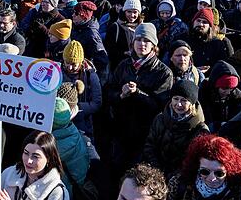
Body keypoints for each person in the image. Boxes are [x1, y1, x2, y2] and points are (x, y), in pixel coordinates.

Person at [107, 23, 173, 173]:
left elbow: (160, 105)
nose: (142, 44)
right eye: (138, 39)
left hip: (146, 134)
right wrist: (121, 94)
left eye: (146, 40)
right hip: (121, 129)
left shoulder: (164, 73)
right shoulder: (124, 66)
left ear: (153, 45)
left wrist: (138, 93)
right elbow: (109, 92)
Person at [141, 80, 208, 175]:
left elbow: (196, 160)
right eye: (176, 99)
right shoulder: (160, 119)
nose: (179, 104)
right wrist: (156, 169)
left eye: (184, 100)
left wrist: (175, 176)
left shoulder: (200, 129)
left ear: (192, 103)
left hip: (181, 176)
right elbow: (150, 145)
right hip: (156, 172)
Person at [61, 40, 102, 137]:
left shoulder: (90, 76)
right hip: (60, 122)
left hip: (82, 124)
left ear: (81, 62)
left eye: (74, 64)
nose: (70, 67)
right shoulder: (57, 72)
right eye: (67, 63)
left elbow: (97, 103)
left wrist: (76, 108)